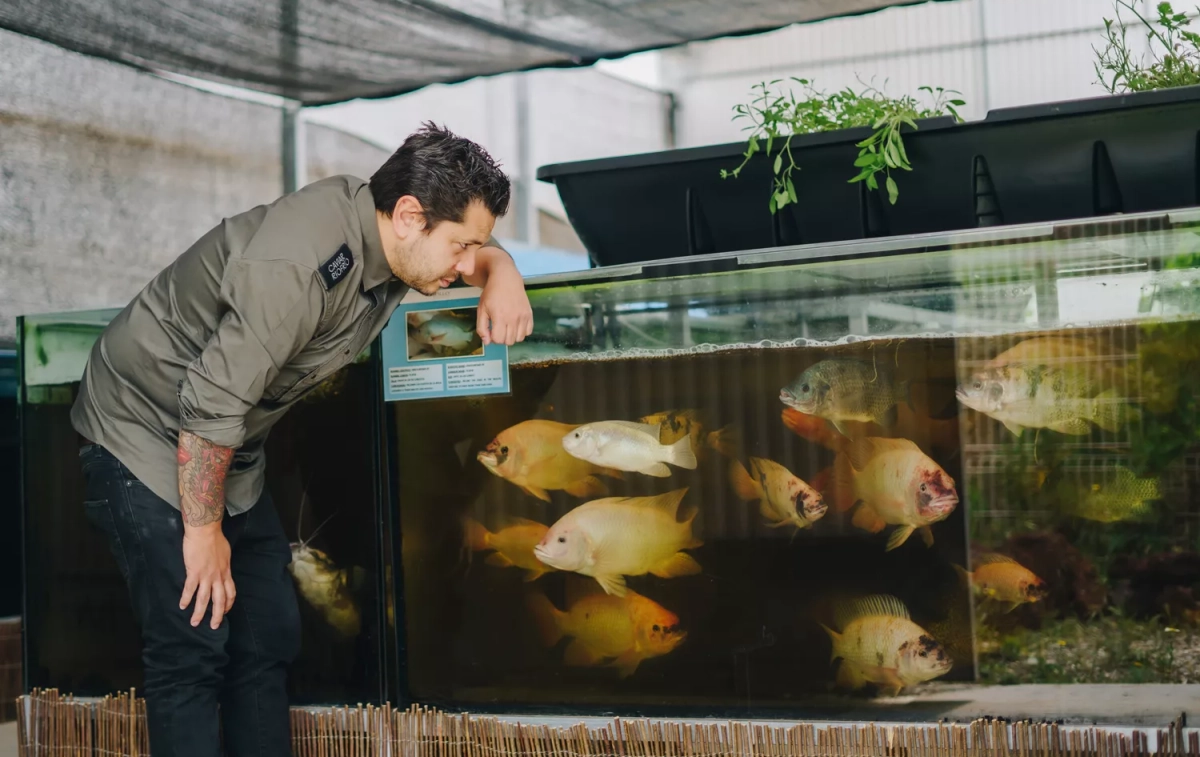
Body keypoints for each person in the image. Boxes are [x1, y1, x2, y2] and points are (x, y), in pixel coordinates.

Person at [70, 122, 532, 757]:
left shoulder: (395, 240)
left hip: (230, 446)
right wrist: (202, 534)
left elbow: (469, 253)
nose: (465, 264)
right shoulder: (298, 268)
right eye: (462, 246)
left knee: (267, 635)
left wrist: (500, 266)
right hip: (145, 426)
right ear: (407, 216)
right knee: (192, 643)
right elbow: (210, 404)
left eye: (473, 246)